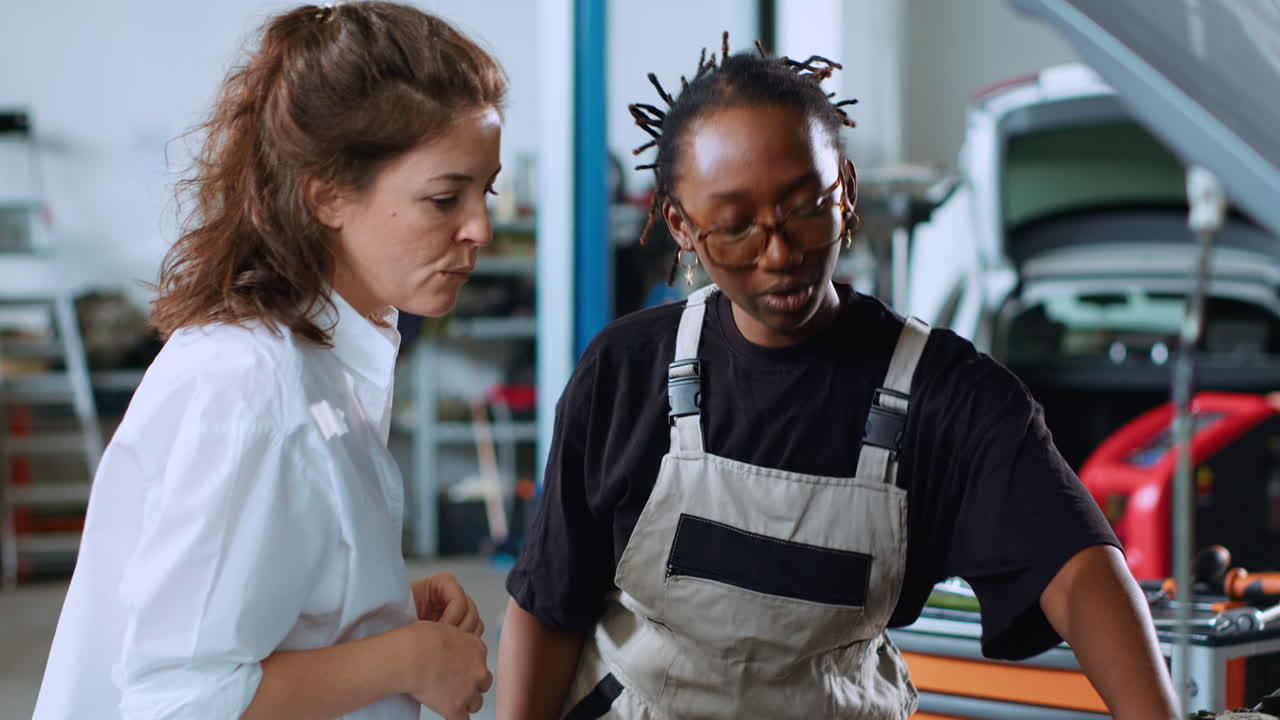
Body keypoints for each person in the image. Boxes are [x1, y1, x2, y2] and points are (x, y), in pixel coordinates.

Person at [496, 36, 1179, 720]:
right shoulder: (626, 372)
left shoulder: (948, 398)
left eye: (805, 207)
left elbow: (1078, 567)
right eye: (734, 227)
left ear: (846, 191)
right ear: (682, 226)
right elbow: (550, 604)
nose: (780, 251)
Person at [33, 4, 503, 719]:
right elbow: (177, 701)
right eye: (446, 197)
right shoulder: (248, 388)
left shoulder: (317, 359)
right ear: (327, 194)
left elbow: (244, 615)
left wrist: (374, 615)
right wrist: (402, 657)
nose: (481, 228)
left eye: (485, 190)